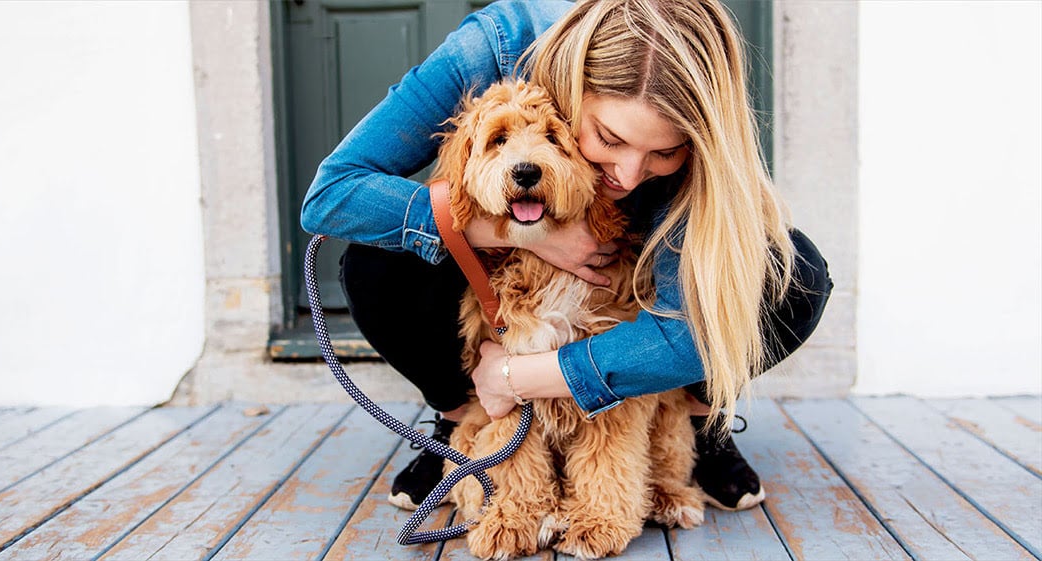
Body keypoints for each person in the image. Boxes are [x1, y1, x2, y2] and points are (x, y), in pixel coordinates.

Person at [300, 0, 833, 513]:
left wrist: (519, 374)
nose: (626, 174)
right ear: (574, 86)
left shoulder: (690, 152)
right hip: (511, 254)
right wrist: (522, 234)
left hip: (636, 271)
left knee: (791, 276)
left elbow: (689, 333)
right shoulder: (492, 47)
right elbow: (333, 195)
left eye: (664, 152)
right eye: (608, 137)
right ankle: (466, 418)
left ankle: (694, 420)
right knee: (376, 263)